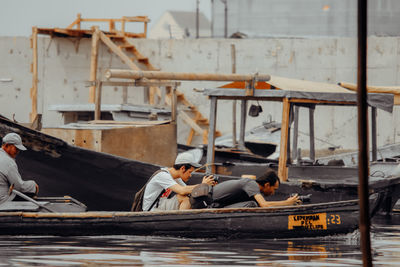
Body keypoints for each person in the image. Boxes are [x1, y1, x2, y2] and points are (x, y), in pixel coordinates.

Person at [142, 152, 215, 211]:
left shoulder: (176, 177)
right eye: (189, 172)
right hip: (152, 210)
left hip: (161, 205)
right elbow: (182, 191)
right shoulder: (162, 175)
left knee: (189, 196)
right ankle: (181, 221)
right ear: (183, 168)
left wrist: (207, 186)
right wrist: (203, 185)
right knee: (184, 198)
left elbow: (188, 191)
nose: (190, 175)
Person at [210, 169, 300, 208]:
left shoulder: (251, 186)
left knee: (255, 203)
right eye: (274, 189)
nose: (273, 193)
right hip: (209, 205)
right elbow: (264, 205)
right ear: (267, 185)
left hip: (215, 204)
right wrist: (287, 203)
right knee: (252, 204)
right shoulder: (252, 184)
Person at [0, 133, 39, 203]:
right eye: (16, 148)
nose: (18, 152)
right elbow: (19, 187)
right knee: (32, 186)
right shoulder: (8, 161)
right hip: (2, 201)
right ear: (7, 145)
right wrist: (34, 186)